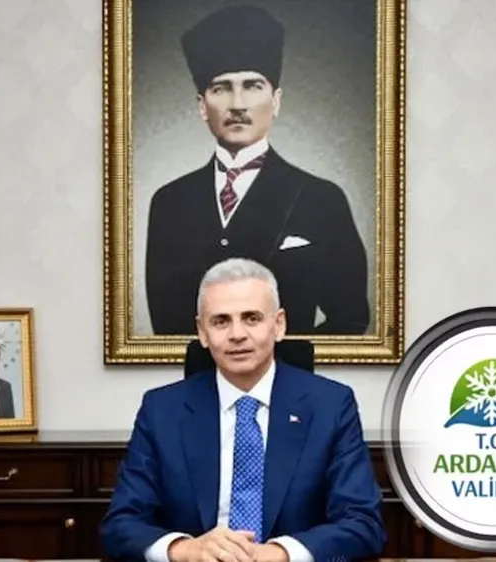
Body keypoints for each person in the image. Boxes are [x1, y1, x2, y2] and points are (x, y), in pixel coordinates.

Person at [101, 258, 386, 562]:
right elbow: (121, 524)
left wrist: (279, 553)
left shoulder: (331, 406)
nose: (237, 334)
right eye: (220, 321)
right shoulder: (161, 411)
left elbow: (362, 523)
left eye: (251, 318)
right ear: (202, 331)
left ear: (278, 325)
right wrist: (187, 549)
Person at [144, 4, 370, 337]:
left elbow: (351, 319)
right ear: (202, 106)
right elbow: (166, 329)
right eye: (221, 88)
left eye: (252, 85)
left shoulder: (322, 200)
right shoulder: (169, 203)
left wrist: (279, 359)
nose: (238, 104)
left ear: (275, 100)